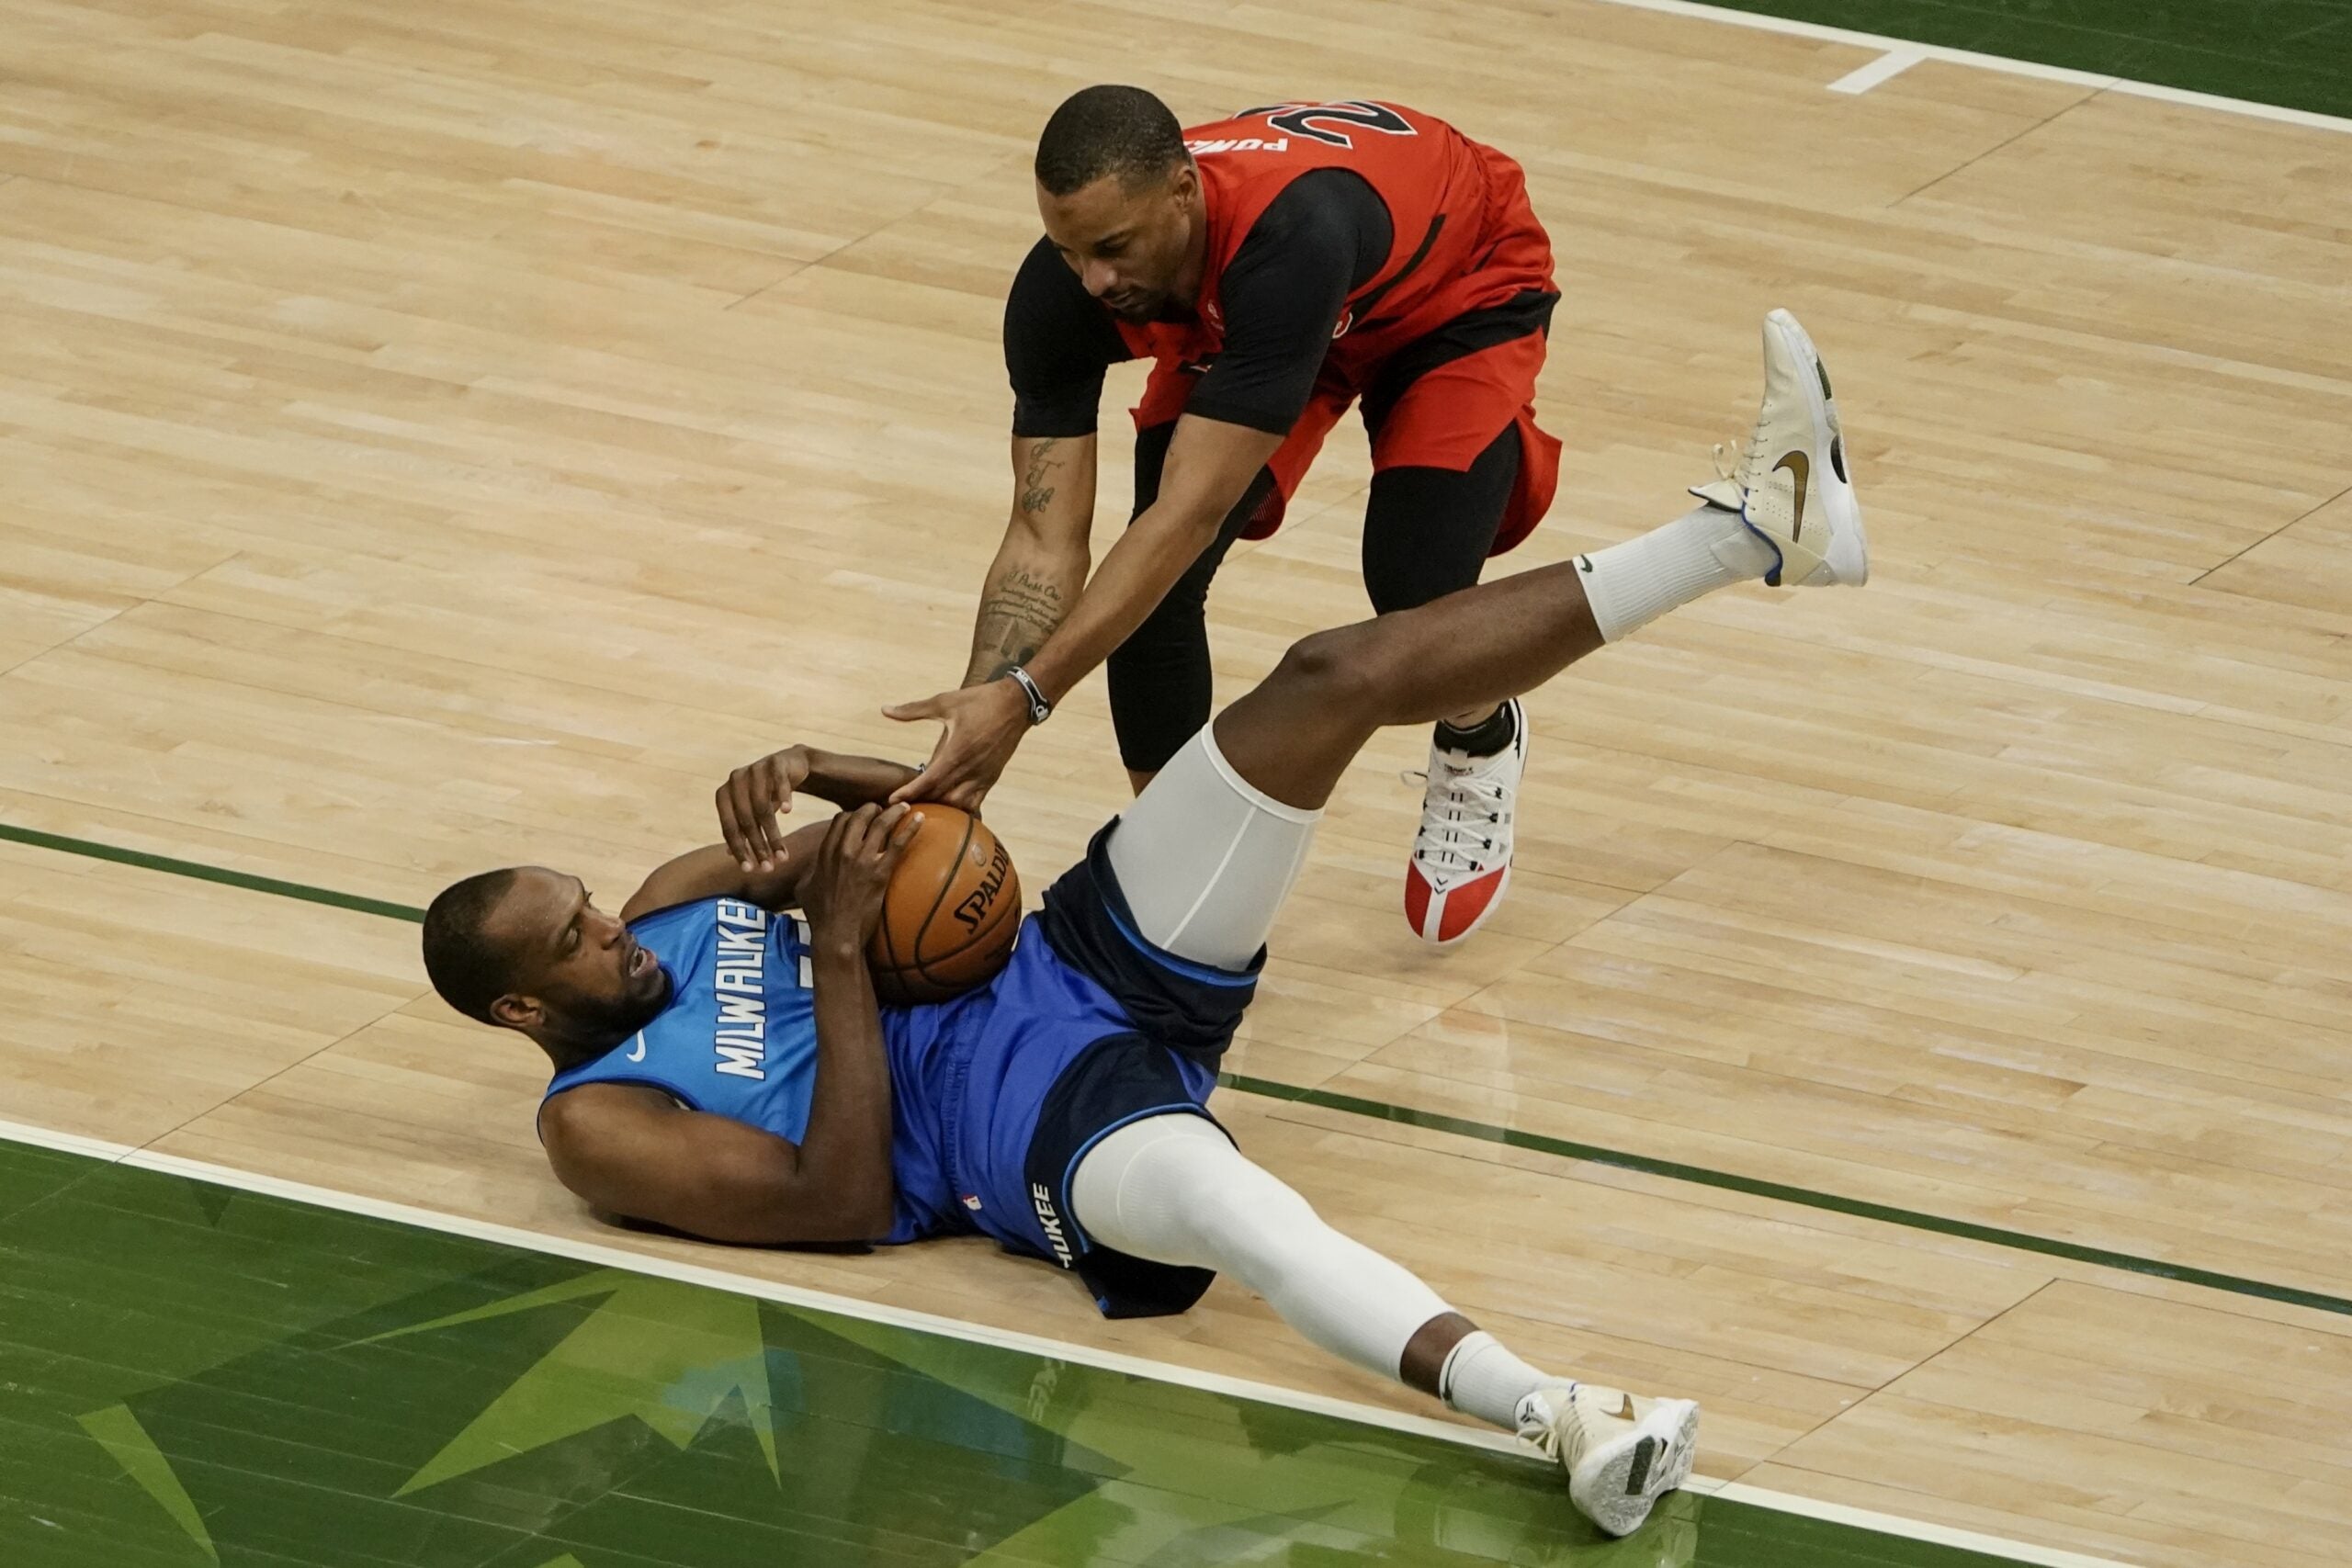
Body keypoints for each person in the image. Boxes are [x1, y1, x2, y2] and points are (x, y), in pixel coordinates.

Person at [421, 311, 1866, 1539]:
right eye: (578, 941)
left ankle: (1751, 528)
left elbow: (913, 840)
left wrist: (823, 768)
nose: (619, 926)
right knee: (1250, 1215)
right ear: (522, 1012)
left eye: (590, 902)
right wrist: (848, 955)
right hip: (1018, 1129)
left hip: (1064, 959)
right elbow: (843, 1203)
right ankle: (1558, 1414)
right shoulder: (596, 1124)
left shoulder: (683, 903)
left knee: (1323, 677)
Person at [885, 85, 1573, 948]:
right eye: (1068, 251)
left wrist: (1029, 698)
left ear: (1182, 191)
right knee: (1149, 606)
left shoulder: (1291, 238)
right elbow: (1040, 536)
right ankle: (1184, 863)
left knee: (1414, 591)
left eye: (1112, 249)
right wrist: (972, 736)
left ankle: (1479, 729)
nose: (1094, 280)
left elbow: (1184, 516)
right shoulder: (1062, 295)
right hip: (1258, 319)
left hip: (1450, 290)